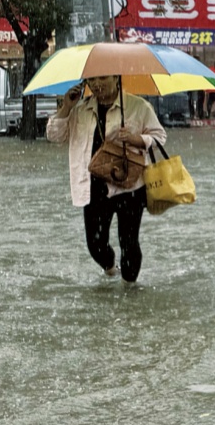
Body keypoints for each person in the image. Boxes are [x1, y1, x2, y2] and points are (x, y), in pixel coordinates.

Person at [46, 76, 168, 284]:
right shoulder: (80, 109)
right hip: (94, 187)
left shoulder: (138, 106)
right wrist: (66, 107)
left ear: (116, 78)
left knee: (129, 242)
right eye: (92, 79)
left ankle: (129, 286)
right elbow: (54, 136)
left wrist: (136, 139)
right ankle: (111, 268)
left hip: (130, 186)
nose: (97, 84)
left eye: (102, 78)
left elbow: (159, 136)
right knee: (95, 244)